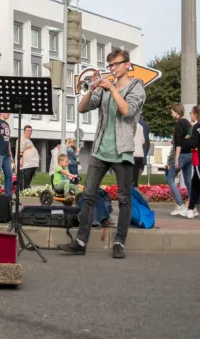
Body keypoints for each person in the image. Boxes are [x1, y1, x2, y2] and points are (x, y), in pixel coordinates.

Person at [57, 48, 145, 259]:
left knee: (124, 199)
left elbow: (127, 111)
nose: (113, 68)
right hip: (100, 150)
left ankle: (119, 242)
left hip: (122, 150)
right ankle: (80, 241)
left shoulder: (137, 87)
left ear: (127, 64)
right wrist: (92, 88)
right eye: (110, 65)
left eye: (116, 64)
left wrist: (112, 89)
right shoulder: (105, 88)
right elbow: (81, 108)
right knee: (87, 196)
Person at [163, 104, 188, 216]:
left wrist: (177, 159)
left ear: (177, 113)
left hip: (182, 155)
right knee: (188, 181)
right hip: (190, 155)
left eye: (172, 111)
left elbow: (179, 143)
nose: (171, 113)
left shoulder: (179, 123)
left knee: (170, 178)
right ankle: (192, 206)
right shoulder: (187, 123)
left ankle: (180, 205)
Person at [18, 125, 39, 190]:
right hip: (27, 164)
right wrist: (20, 159)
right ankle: (23, 191)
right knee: (25, 179)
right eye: (28, 131)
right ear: (24, 131)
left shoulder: (28, 140)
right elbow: (20, 149)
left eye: (31, 131)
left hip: (32, 164)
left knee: (28, 179)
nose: (30, 132)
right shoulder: (22, 139)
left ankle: (26, 189)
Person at [132, 118, 150, 186]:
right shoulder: (145, 124)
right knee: (135, 181)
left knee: (129, 182)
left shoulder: (130, 122)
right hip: (141, 156)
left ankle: (132, 195)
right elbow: (146, 142)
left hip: (132, 156)